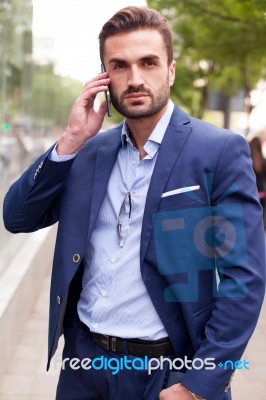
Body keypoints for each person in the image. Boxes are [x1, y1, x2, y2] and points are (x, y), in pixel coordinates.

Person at [3, 6, 265, 400]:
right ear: (104, 78)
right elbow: (17, 217)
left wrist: (198, 385)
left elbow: (243, 279)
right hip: (84, 368)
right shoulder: (88, 152)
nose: (136, 78)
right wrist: (71, 140)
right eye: (120, 66)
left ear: (171, 70)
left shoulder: (217, 152)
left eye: (149, 62)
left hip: (167, 375)